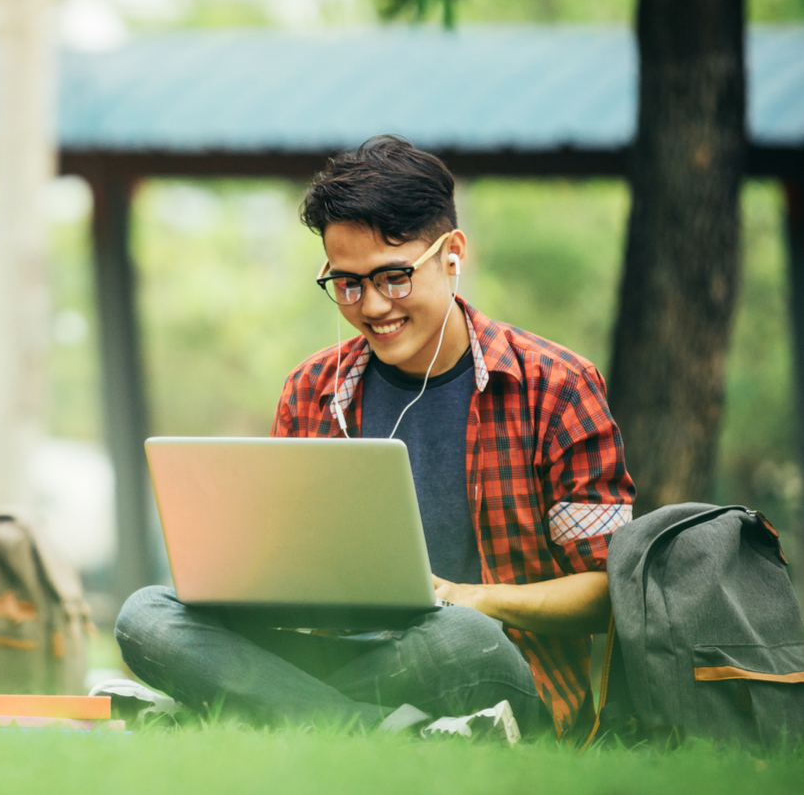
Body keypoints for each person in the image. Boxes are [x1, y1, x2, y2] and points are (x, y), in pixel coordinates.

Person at [115, 136, 635, 739]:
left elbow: (607, 594)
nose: (372, 306)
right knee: (146, 615)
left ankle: (256, 707)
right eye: (347, 284)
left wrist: (476, 599)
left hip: (478, 657)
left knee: (462, 638)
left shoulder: (556, 386)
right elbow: (279, 568)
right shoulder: (311, 389)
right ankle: (384, 733)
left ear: (452, 255)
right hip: (337, 658)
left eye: (393, 277)